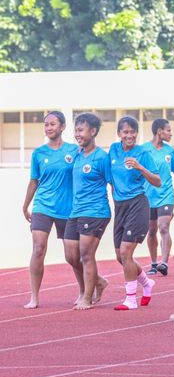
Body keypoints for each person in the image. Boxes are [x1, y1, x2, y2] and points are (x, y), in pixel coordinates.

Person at [22, 111, 82, 309]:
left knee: (73, 256)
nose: (49, 128)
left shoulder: (74, 151)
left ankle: (84, 290)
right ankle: (34, 297)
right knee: (38, 248)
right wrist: (25, 205)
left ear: (63, 127)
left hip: (68, 209)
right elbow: (34, 181)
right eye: (46, 124)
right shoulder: (39, 153)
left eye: (53, 124)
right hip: (42, 206)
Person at [109, 116, 161, 310]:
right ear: (119, 134)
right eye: (125, 132)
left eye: (132, 132)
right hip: (119, 206)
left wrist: (140, 167)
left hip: (138, 204)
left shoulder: (143, 153)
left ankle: (130, 299)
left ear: (137, 134)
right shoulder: (113, 150)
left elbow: (157, 181)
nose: (129, 135)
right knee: (119, 256)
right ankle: (147, 283)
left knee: (126, 252)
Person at [65, 113, 111, 310]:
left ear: (93, 131)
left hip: (95, 211)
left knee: (86, 255)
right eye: (76, 130)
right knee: (71, 256)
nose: (77, 134)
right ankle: (98, 282)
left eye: (81, 130)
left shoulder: (101, 157)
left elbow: (113, 184)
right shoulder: (76, 154)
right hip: (75, 211)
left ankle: (86, 296)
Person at [143, 118, 174, 276]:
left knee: (163, 227)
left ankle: (164, 263)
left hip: (166, 195)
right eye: (168, 130)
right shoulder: (143, 150)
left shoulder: (170, 152)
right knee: (151, 230)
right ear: (159, 131)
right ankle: (154, 263)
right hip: (148, 196)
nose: (171, 133)